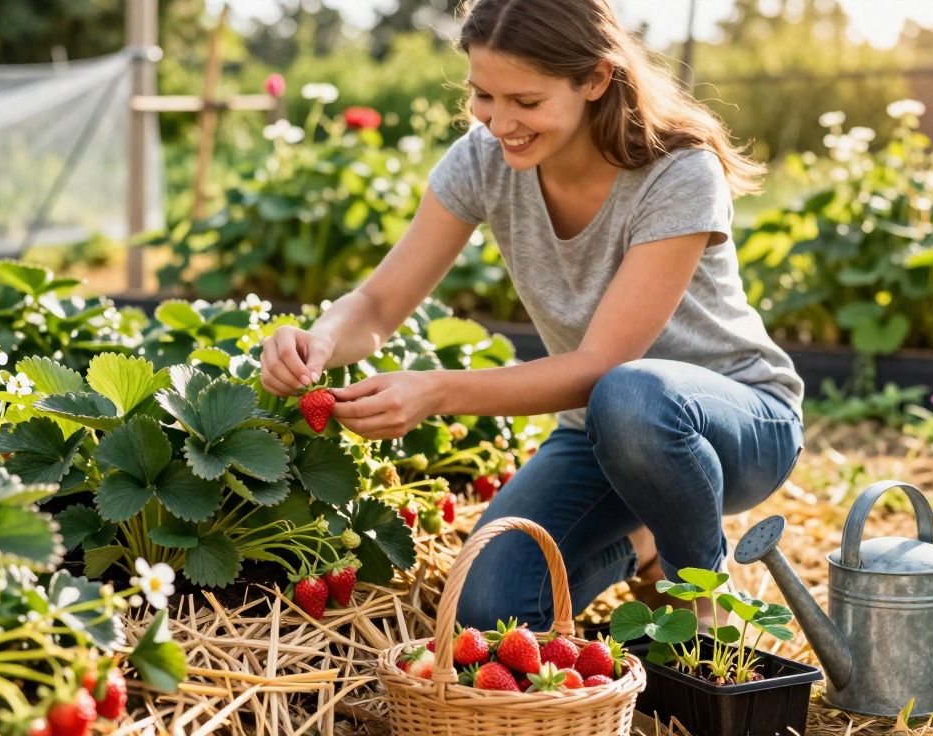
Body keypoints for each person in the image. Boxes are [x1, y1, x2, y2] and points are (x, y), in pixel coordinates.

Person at [257, 0, 803, 631]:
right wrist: (319, 341)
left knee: (631, 395)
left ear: (595, 79)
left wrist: (435, 391)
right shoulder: (483, 160)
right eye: (483, 96)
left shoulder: (677, 171)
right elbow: (380, 303)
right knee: (488, 612)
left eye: (526, 101)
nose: (500, 122)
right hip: (599, 431)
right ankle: (645, 544)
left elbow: (601, 365)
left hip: (736, 425)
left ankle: (702, 606)